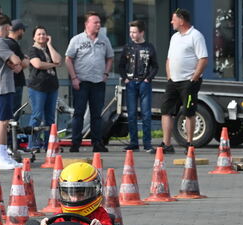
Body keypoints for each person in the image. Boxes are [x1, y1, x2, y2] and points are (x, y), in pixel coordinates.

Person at [156, 8, 208, 155]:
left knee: (188, 112)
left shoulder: (196, 36)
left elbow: (203, 59)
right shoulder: (175, 37)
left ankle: (189, 143)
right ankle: (166, 144)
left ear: (181, 20)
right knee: (166, 110)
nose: (171, 22)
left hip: (189, 82)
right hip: (173, 81)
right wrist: (169, 76)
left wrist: (194, 78)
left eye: (174, 19)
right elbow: (169, 59)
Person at [65, 11, 114, 153]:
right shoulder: (77, 40)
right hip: (81, 82)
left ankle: (97, 143)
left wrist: (106, 73)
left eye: (99, 22)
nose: (98, 25)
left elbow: (110, 57)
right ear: (87, 24)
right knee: (78, 114)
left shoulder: (104, 39)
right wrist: (74, 78)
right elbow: (68, 59)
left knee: (96, 115)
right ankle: (75, 143)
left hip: (98, 82)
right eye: (95, 22)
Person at [0, 14, 24, 170]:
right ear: (7, 27)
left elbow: (15, 66)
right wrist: (16, 60)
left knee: (5, 121)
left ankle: (3, 156)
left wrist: (15, 63)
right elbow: (17, 61)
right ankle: (1, 157)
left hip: (5, 86)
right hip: (1, 87)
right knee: (2, 122)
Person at [119, 19, 158, 152]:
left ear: (142, 32)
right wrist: (125, 78)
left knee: (146, 114)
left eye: (135, 32)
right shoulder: (127, 47)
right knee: (131, 114)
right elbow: (121, 65)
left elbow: (155, 66)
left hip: (144, 83)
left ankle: (147, 143)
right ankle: (133, 142)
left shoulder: (149, 47)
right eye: (130, 32)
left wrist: (148, 79)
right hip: (130, 83)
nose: (132, 35)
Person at [26, 26, 61, 150]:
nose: (42, 36)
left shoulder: (48, 49)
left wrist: (50, 45)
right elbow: (38, 64)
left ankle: (49, 144)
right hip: (38, 87)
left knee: (50, 117)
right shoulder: (33, 50)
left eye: (44, 34)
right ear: (34, 37)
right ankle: (33, 143)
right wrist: (53, 65)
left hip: (52, 87)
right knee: (37, 115)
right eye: (39, 34)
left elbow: (58, 60)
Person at [5, 20, 30, 119]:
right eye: (23, 30)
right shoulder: (13, 44)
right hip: (15, 83)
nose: (23, 33)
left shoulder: (4, 43)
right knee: (15, 112)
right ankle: (12, 134)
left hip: (8, 82)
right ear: (19, 30)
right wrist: (27, 59)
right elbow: (22, 63)